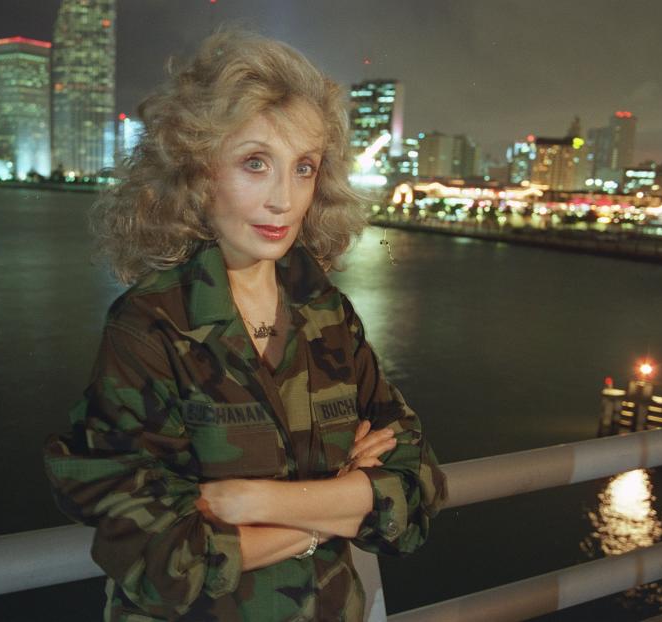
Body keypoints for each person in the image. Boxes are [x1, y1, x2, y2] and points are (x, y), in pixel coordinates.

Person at [44, 30, 447, 622]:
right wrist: (338, 500)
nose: (283, 199)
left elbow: (419, 492)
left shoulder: (327, 314)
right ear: (198, 174)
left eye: (303, 167)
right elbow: (163, 560)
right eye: (255, 163)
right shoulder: (150, 329)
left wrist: (254, 501)